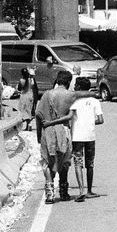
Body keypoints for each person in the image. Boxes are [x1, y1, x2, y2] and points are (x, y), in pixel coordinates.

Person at [35, 70, 78, 203]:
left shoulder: (47, 95)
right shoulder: (71, 96)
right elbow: (71, 117)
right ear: (69, 82)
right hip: (63, 131)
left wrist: (38, 134)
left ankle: (49, 193)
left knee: (47, 161)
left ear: (57, 80)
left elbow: (38, 114)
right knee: (64, 161)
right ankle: (64, 192)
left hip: (47, 131)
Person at [69, 77, 104, 201]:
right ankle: (89, 190)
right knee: (90, 163)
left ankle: (81, 190)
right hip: (90, 135)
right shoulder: (95, 101)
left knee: (78, 162)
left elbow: (69, 117)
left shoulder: (73, 101)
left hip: (77, 136)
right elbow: (100, 120)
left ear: (78, 87)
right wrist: (90, 121)